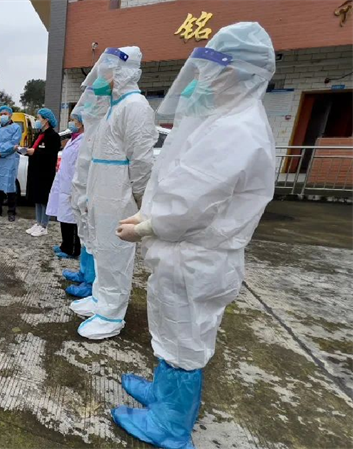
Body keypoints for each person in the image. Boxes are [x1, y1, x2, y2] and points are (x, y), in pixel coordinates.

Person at [112, 23, 278, 448]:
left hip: (196, 257)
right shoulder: (224, 118)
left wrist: (149, 225)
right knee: (172, 330)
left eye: (212, 68)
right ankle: (163, 393)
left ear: (236, 72)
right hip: (185, 254)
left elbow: (193, 201)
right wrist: (149, 214)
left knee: (184, 340)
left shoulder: (237, 129)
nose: (202, 77)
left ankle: (171, 424)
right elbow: (176, 178)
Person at [73, 46, 158, 340]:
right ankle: (100, 299)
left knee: (116, 254)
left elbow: (142, 161)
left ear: (124, 72)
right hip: (103, 192)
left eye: (108, 71)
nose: (102, 77)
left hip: (120, 195)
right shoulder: (113, 107)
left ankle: (111, 314)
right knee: (102, 250)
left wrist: (141, 201)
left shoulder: (135, 107)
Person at [65, 88, 109, 300]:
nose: (75, 121)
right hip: (81, 192)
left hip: (92, 194)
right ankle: (84, 273)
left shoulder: (100, 133)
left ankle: (91, 281)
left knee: (92, 238)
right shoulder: (88, 135)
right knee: (84, 235)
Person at [46, 110, 86, 259]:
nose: (71, 123)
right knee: (64, 217)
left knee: (72, 219)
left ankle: (73, 249)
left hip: (73, 186)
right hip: (64, 184)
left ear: (81, 123)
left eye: (73, 120)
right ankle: (65, 245)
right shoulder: (72, 140)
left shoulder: (83, 141)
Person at [25, 108, 61, 237]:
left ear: (46, 120)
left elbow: (50, 154)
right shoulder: (39, 134)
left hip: (45, 173)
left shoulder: (53, 136)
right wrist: (27, 151)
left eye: (39, 118)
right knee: (37, 198)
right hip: (35, 170)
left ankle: (44, 225)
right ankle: (38, 222)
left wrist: (35, 152)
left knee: (44, 199)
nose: (37, 120)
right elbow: (34, 148)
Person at [0, 105, 22, 221]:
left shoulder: (16, 128)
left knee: (9, 185)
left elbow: (13, 143)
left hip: (8, 160)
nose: (2, 116)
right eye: (1, 114)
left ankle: (11, 211)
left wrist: (0, 152)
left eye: (5, 114)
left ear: (10, 115)